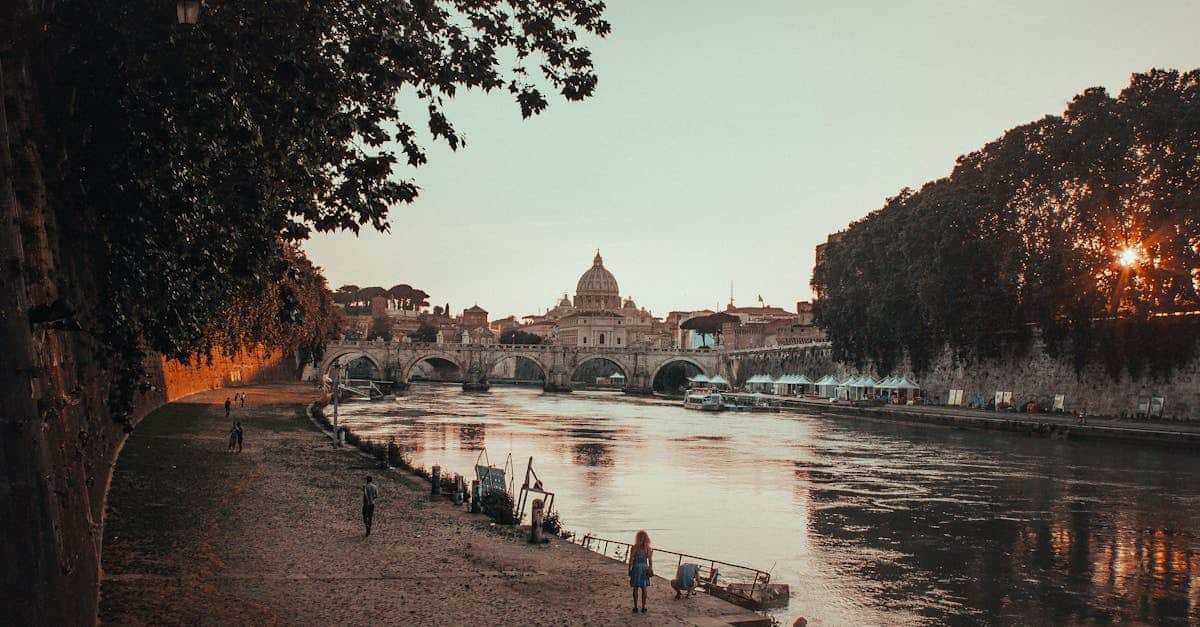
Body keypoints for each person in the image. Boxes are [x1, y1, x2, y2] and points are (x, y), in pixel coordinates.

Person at [628, 530, 653, 613]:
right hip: (644, 568)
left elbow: (631, 559)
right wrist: (650, 568)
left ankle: (635, 607)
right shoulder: (648, 549)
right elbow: (650, 560)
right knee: (644, 588)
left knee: (635, 588)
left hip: (636, 568)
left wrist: (629, 569)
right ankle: (643, 607)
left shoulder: (634, 547)